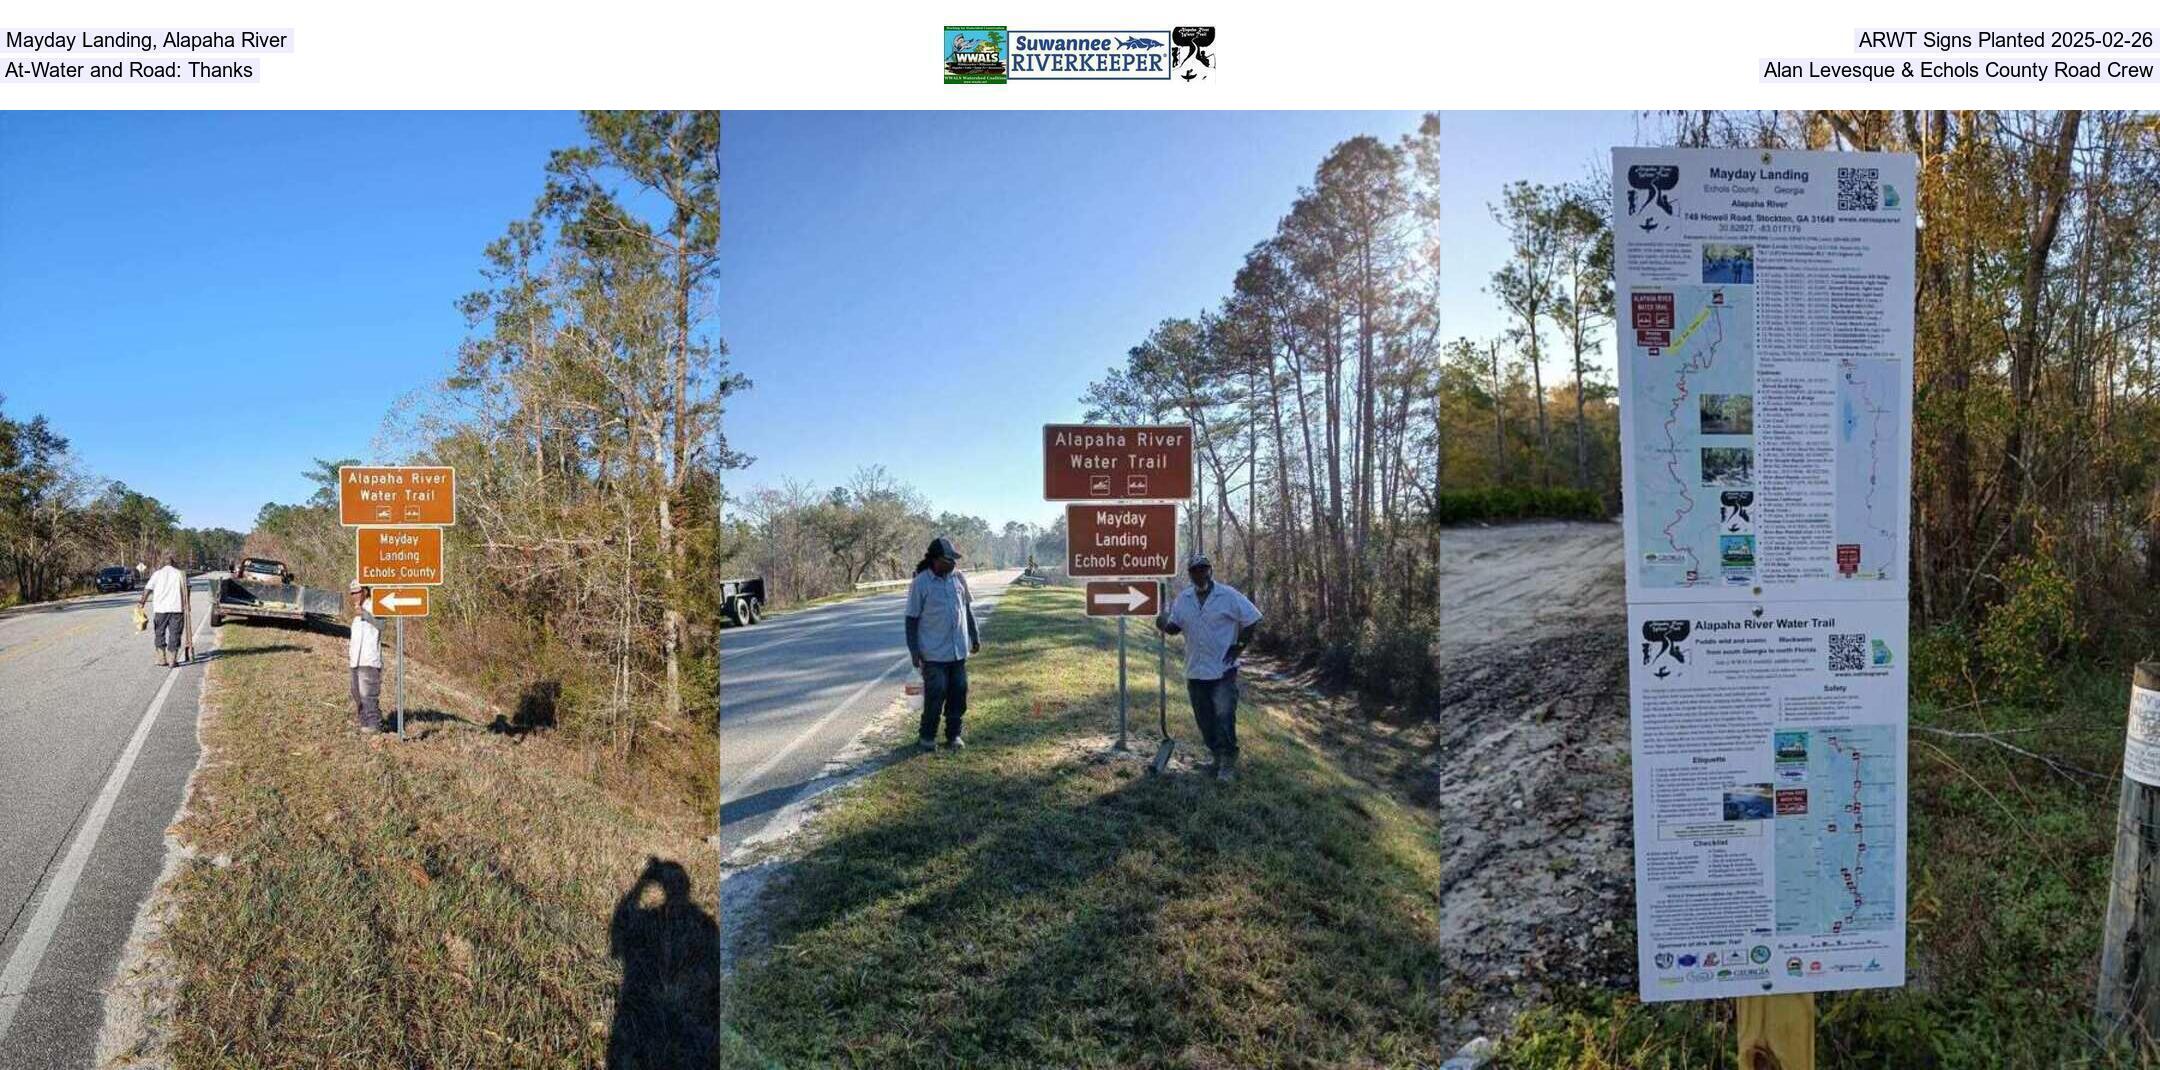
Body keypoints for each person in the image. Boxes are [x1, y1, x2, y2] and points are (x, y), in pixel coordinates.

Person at [1154, 553, 1262, 782]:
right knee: (1204, 719)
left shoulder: (1228, 595)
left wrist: (1239, 646)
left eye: (1204, 569)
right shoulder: (1184, 599)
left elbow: (1252, 618)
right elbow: (1175, 627)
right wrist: (1163, 623)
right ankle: (1216, 758)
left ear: (1210, 570)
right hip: (1196, 670)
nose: (1200, 573)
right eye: (1195, 570)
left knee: (1224, 716)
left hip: (1223, 670)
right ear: (1190, 574)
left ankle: (1227, 764)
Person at [904, 536, 979, 752]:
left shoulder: (958, 578)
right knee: (936, 693)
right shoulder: (921, 583)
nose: (953, 563)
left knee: (959, 691)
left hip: (958, 652)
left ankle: (954, 735)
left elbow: (966, 609)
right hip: (934, 654)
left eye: (954, 559)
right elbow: (911, 619)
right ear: (935, 560)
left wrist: (975, 636)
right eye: (949, 559)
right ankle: (927, 737)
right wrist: (914, 651)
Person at [137, 554, 191, 667]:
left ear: (163, 564)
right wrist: (187, 604)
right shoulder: (180, 574)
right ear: (174, 563)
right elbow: (187, 589)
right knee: (175, 633)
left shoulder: (157, 574)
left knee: (159, 633)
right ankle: (172, 660)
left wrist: (142, 602)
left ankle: (161, 659)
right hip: (177, 608)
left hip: (160, 609)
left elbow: (148, 589)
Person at [348, 581, 386, 736]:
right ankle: (364, 724)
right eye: (352, 593)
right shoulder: (356, 613)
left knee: (368, 694)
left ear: (365, 591)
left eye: (357, 592)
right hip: (355, 659)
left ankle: (374, 725)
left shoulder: (374, 606)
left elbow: (382, 624)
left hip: (369, 659)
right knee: (356, 693)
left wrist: (364, 614)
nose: (354, 596)